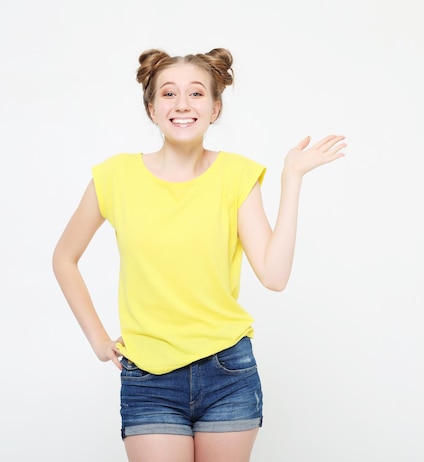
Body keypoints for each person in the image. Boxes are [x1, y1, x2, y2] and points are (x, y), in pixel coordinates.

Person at [52, 47, 346, 462]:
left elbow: (274, 276)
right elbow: (64, 257)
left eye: (196, 94)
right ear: (151, 108)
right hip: (149, 376)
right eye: (169, 94)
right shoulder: (114, 176)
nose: (183, 104)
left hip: (228, 371)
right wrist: (98, 339)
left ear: (215, 107)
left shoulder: (238, 175)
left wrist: (292, 178)